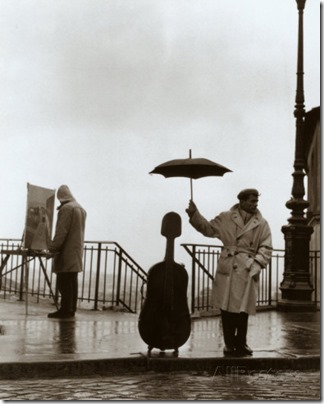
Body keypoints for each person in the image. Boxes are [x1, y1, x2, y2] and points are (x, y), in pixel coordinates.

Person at [186, 188, 272, 356]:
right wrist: (194, 214)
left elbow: (266, 246)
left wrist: (257, 263)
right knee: (226, 309)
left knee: (243, 309)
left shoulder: (262, 223)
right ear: (241, 201)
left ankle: (241, 343)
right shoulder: (226, 217)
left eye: (256, 201)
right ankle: (229, 344)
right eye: (252, 201)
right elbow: (208, 229)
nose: (255, 204)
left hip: (247, 268)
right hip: (229, 267)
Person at [47, 185, 87, 319]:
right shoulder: (80, 208)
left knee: (63, 282)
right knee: (72, 280)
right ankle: (71, 309)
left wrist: (52, 248)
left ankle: (65, 309)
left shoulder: (66, 209)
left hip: (66, 251)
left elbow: (61, 232)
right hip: (76, 250)